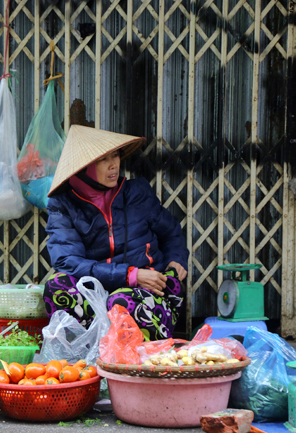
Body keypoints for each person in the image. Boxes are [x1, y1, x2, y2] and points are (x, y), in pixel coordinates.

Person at [44, 125, 189, 341]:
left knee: (120, 303)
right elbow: (66, 260)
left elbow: (171, 233)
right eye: (103, 159)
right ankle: (86, 358)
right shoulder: (63, 205)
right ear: (83, 167)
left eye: (116, 156)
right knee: (56, 286)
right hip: (97, 292)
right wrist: (129, 275)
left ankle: (136, 365)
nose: (114, 165)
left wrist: (177, 260)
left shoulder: (136, 193)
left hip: (147, 293)